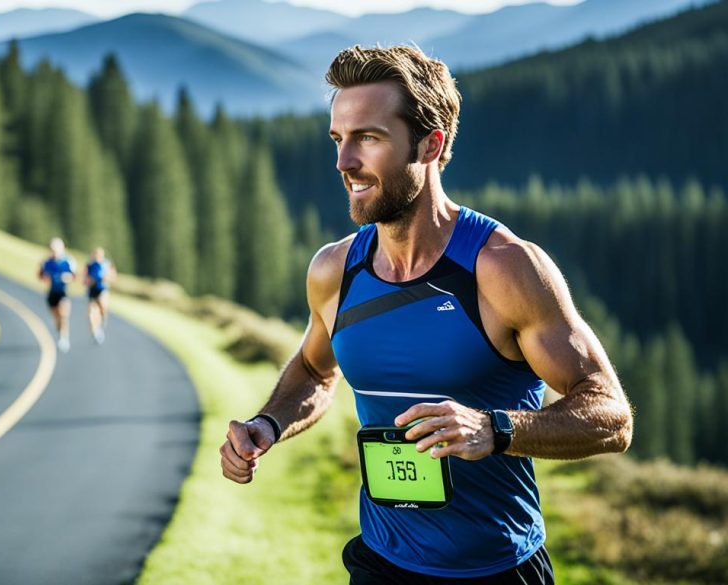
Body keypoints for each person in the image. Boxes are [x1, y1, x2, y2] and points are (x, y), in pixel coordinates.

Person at [219, 45, 633, 584]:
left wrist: (496, 429)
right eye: (338, 140)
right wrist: (266, 424)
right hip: (381, 563)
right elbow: (317, 371)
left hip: (498, 569)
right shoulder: (334, 270)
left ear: (431, 144)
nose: (344, 163)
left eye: (368, 138)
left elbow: (612, 416)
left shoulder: (504, 269)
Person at [38, 237, 76, 353]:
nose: (55, 251)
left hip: (63, 293)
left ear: (62, 248)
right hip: (51, 293)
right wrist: (45, 278)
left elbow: (74, 276)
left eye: (57, 249)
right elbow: (40, 276)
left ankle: (64, 338)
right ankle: (60, 333)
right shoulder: (47, 263)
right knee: (57, 317)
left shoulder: (68, 261)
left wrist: (67, 278)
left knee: (63, 314)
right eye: (52, 249)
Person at [83, 247, 116, 344]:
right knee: (91, 314)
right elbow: (84, 279)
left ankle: (103, 317)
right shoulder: (89, 265)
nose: (97, 257)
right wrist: (88, 281)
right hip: (92, 290)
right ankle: (96, 332)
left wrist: (107, 278)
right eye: (95, 254)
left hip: (103, 289)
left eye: (99, 255)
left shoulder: (107, 264)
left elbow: (113, 277)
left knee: (102, 305)